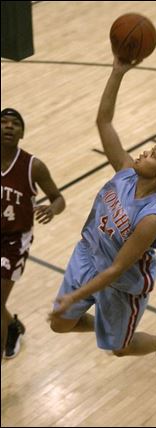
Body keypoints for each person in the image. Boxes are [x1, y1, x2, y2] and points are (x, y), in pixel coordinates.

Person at [48, 56, 156, 360]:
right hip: (88, 254)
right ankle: (106, 325)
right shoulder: (125, 170)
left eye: (152, 154)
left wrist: (77, 295)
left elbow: (116, 270)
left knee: (119, 349)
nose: (142, 153)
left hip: (122, 283)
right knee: (60, 324)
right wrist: (117, 72)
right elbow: (104, 122)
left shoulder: (151, 218)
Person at [1, 108, 66, 361]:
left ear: (22, 132)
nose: (8, 126)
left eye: (14, 123)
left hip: (15, 241)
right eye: (3, 122)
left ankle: (8, 335)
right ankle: (13, 327)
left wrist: (52, 209)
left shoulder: (33, 165)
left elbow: (59, 198)